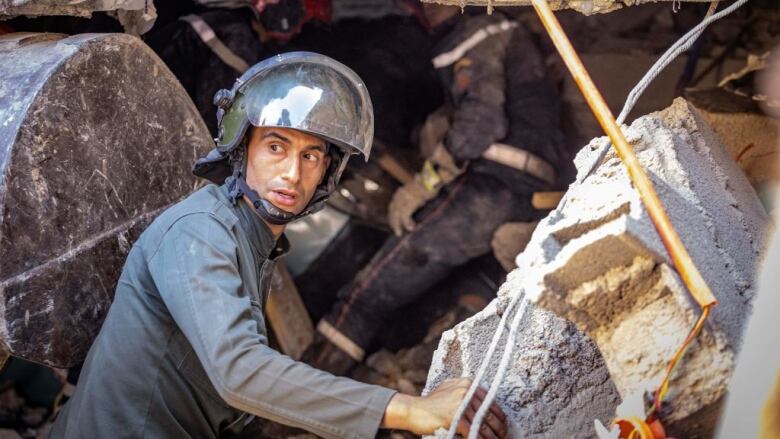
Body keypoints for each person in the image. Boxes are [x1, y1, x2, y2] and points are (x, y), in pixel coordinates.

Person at [50, 52, 507, 439]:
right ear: (241, 146)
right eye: (275, 147)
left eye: (311, 156)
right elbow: (239, 372)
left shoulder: (250, 240)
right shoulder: (200, 232)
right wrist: (409, 409)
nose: (292, 173)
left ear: (328, 173)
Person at [305, 5, 568, 375]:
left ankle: (290, 411)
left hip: (493, 187)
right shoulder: (507, 36)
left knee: (366, 298)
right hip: (534, 195)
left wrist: (424, 183)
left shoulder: (479, 33)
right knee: (469, 296)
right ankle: (406, 387)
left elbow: (480, 124)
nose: (419, 10)